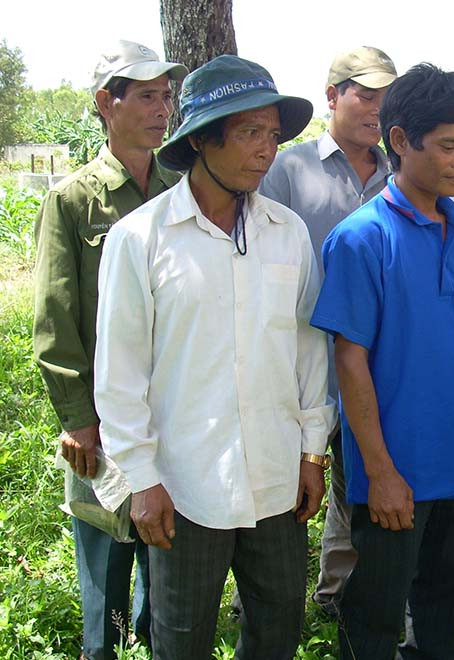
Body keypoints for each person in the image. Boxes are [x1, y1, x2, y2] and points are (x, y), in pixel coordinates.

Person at [93, 55, 334, 658]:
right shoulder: (142, 239)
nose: (266, 151)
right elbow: (120, 373)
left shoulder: (288, 232)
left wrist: (312, 453)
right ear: (202, 139)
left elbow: (307, 349)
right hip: (184, 486)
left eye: (274, 135)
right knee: (180, 637)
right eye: (251, 132)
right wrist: (142, 480)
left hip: (277, 479)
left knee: (278, 626)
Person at [310, 63, 454, 660]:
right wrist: (381, 471)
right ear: (400, 141)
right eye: (447, 145)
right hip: (396, 473)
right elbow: (350, 361)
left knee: (444, 616)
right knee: (373, 619)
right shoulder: (362, 239)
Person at [32, 40, 186, 660]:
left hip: (171, 409)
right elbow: (54, 317)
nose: (162, 109)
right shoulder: (73, 200)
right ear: (106, 102)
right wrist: (77, 419)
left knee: (164, 560)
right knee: (104, 566)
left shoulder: (180, 190)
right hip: (102, 415)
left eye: (166, 96)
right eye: (147, 96)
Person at [258, 45, 396, 616]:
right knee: (283, 481)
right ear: (333, 96)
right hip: (299, 363)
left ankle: (338, 596)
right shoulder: (289, 169)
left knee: (358, 480)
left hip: (373, 363)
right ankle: (263, 597)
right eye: (364, 94)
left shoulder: (400, 174)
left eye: (386, 98)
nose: (376, 109)